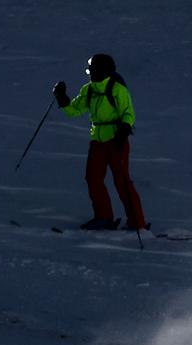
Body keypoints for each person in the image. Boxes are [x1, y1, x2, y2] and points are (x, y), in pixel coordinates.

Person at [53, 53, 148, 232]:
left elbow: (128, 113)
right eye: (90, 70)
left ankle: (137, 222)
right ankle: (103, 217)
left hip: (116, 140)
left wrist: (124, 128)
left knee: (122, 181)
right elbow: (74, 110)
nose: (90, 74)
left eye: (92, 70)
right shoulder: (89, 90)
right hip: (97, 141)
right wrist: (62, 97)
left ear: (102, 71)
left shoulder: (117, 89)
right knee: (93, 178)